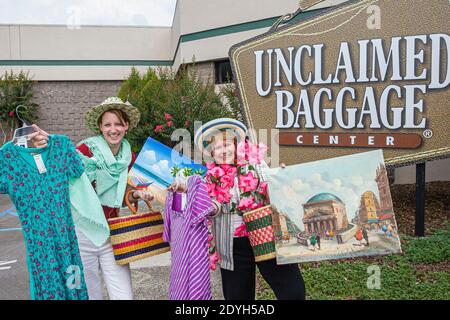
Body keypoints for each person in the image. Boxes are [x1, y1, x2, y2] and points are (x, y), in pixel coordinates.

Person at [31, 97, 154, 300]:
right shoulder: (85, 151)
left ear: (127, 126)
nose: (113, 129)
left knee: (124, 295)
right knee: (89, 294)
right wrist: (46, 147)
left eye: (118, 124)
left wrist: (137, 194)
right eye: (107, 124)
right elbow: (60, 163)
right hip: (82, 231)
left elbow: (124, 197)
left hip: (113, 234)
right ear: (100, 127)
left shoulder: (130, 157)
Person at [194, 118, 306, 300]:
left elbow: (271, 192)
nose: (224, 151)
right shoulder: (208, 177)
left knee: (293, 291)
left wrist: (281, 179)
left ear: (237, 144)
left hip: (265, 233)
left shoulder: (256, 164)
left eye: (227, 144)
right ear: (211, 153)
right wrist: (209, 207)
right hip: (232, 242)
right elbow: (213, 205)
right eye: (217, 148)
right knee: (237, 296)